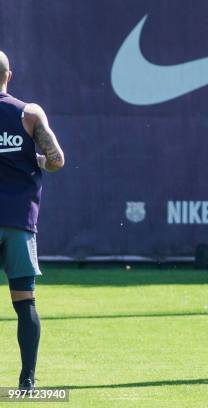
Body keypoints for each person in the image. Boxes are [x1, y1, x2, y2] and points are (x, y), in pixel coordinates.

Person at [0, 50, 65, 390]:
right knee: (25, 301)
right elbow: (57, 160)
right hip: (18, 223)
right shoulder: (28, 113)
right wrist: (35, 159)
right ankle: (27, 382)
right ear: (8, 76)